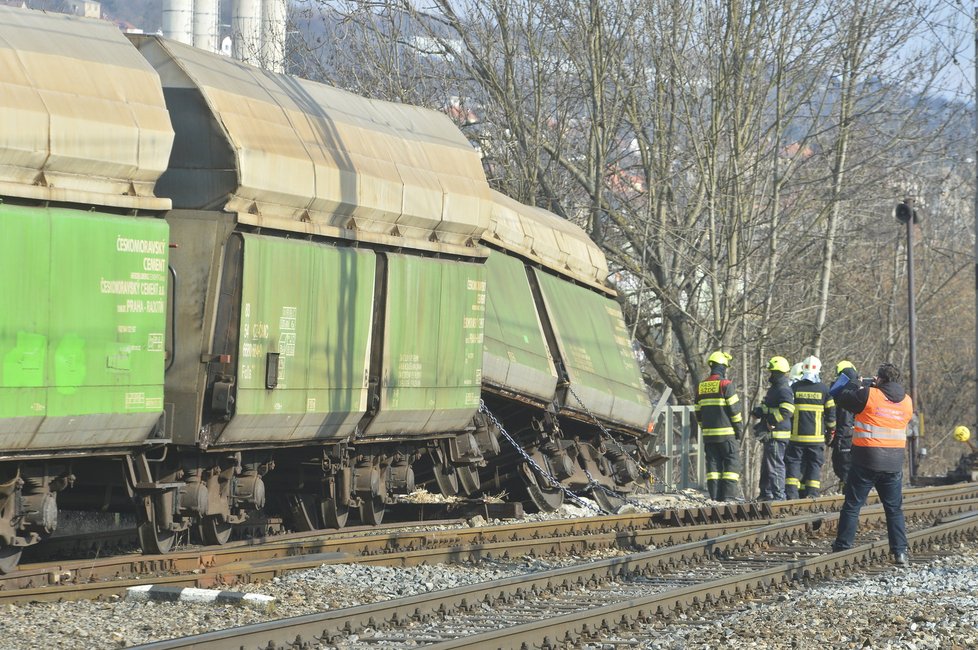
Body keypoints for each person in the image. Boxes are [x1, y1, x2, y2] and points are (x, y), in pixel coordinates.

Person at [830, 362, 914, 566]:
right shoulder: (907, 402)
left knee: (852, 505)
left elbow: (838, 395)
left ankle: (843, 547)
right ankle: (900, 553)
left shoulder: (869, 394)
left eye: (877, 378)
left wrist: (854, 383)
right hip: (893, 464)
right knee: (894, 509)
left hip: (866, 461)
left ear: (881, 379)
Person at [694, 350, 744, 501]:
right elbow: (734, 411)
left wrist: (705, 429)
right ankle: (729, 497)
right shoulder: (725, 384)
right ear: (723, 367)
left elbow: (698, 412)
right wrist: (738, 430)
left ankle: (715, 498)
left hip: (709, 436)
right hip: (727, 435)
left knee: (713, 467)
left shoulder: (701, 387)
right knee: (731, 464)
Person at [785, 355, 836, 499]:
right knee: (814, 465)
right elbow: (831, 416)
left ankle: (791, 495)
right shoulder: (825, 390)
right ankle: (812, 494)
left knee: (794, 464)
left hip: (796, 438)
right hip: (816, 439)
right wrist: (830, 433)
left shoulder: (794, 388)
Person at [752, 356, 794, 501]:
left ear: (778, 372)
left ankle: (779, 497)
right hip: (772, 433)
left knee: (775, 466)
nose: (770, 375)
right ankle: (766, 494)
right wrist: (759, 411)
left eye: (772, 372)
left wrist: (771, 420)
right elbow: (769, 406)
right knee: (767, 466)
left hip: (777, 433)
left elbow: (787, 410)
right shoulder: (775, 389)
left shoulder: (783, 389)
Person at [827, 361, 860, 490]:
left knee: (843, 466)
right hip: (853, 437)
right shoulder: (857, 392)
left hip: (845, 437)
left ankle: (847, 491)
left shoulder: (844, 395)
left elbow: (845, 420)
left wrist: (838, 438)